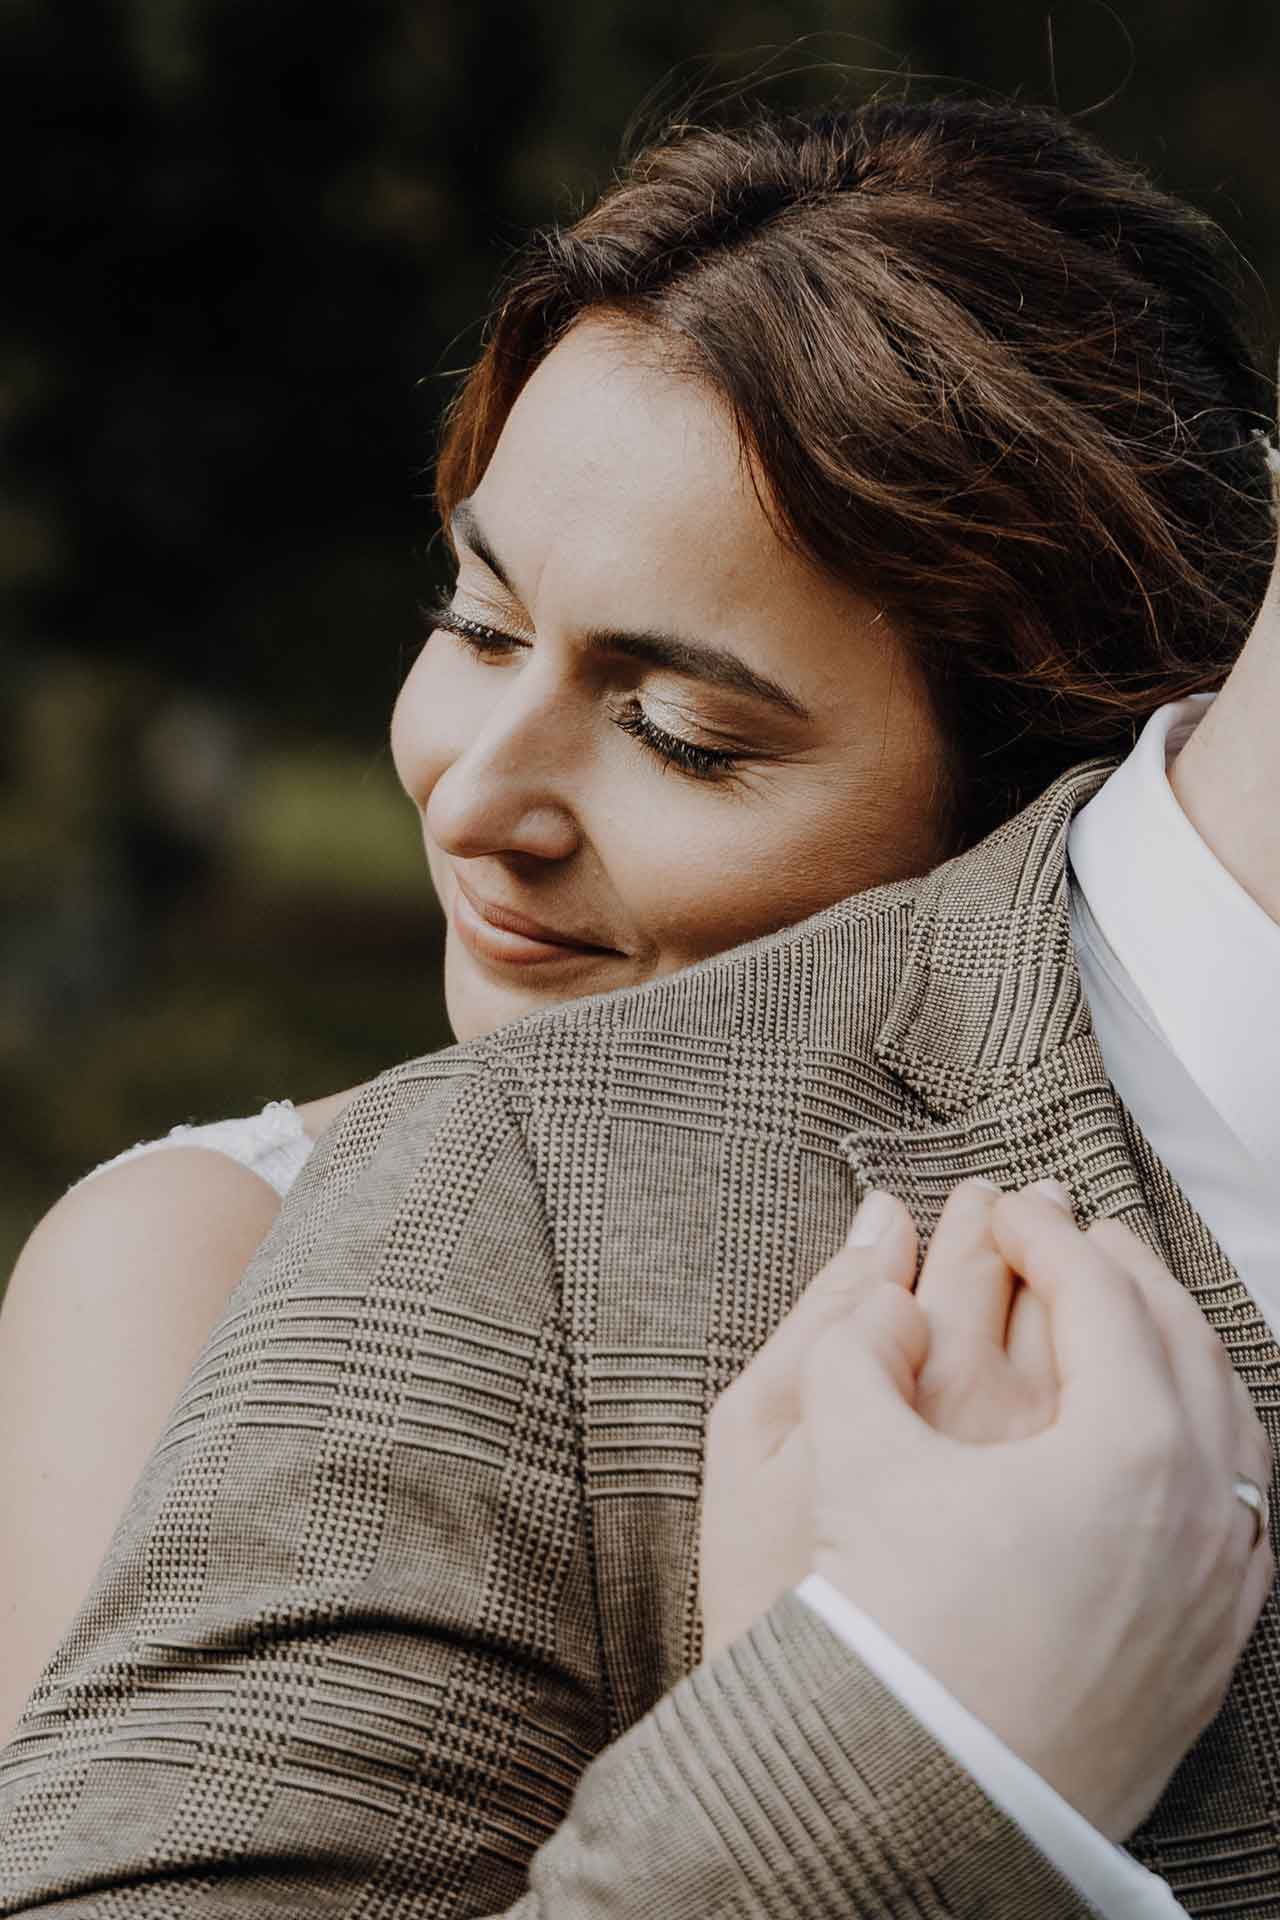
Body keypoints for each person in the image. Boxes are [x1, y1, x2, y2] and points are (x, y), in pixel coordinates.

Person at [1, 89, 1278, 1915]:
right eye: (482, 624)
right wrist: (826, 1724)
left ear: (1027, 821)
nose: (473, 800)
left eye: (680, 736)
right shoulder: (195, 1262)